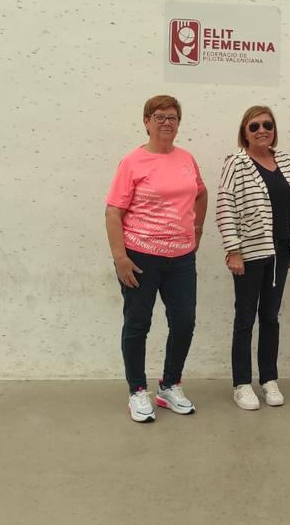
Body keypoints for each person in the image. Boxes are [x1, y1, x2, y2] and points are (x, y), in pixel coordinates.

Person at [105, 95, 206, 423]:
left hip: (181, 259)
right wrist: (120, 257)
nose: (167, 122)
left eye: (173, 117)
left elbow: (200, 193)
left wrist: (197, 230)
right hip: (140, 257)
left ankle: (169, 385)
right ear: (147, 121)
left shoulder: (186, 159)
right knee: (138, 323)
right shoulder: (133, 162)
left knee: (185, 322)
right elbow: (113, 211)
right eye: (160, 116)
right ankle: (137, 391)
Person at [216, 106, 290, 411]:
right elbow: (225, 206)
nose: (262, 130)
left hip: (280, 252)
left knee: (270, 318)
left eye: (267, 124)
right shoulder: (236, 163)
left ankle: (269, 379)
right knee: (245, 319)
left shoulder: (286, 162)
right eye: (254, 126)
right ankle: (242, 383)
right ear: (245, 132)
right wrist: (234, 249)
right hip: (249, 254)